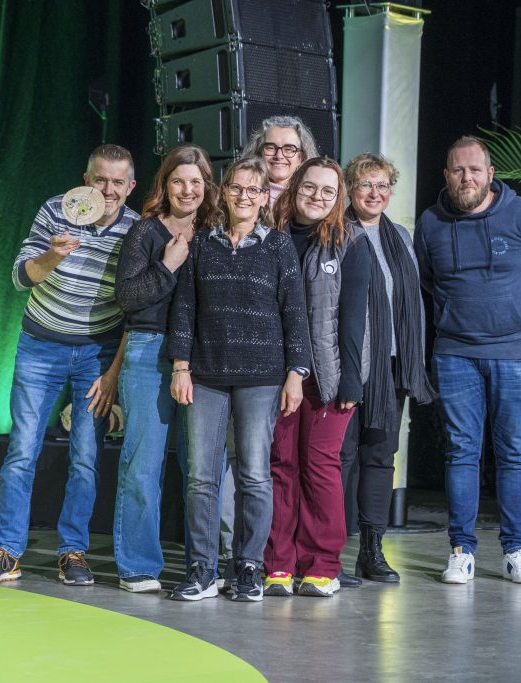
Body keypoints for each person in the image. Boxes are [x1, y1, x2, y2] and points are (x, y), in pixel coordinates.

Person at [0, 144, 138, 585]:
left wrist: (113, 373)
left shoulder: (136, 230)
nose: (108, 190)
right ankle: (7, 550)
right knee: (22, 449)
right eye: (100, 179)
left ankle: (73, 552)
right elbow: (19, 277)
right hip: (40, 346)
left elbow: (136, 310)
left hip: (98, 353)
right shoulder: (55, 211)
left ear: (130, 187)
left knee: (86, 456)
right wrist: (53, 256)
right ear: (86, 180)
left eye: (117, 182)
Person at [414, 136, 521, 586]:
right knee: (461, 450)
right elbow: (427, 278)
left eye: (475, 170)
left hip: (515, 353)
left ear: (490, 174)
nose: (467, 178)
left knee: (513, 451)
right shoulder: (431, 222)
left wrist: (516, 315)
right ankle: (461, 551)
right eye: (458, 170)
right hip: (455, 353)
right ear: (447, 175)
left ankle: (516, 550)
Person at [168, 156, 310, 602]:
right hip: (206, 374)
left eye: (253, 190)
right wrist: (181, 366)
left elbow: (295, 313)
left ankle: (249, 566)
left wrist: (296, 373)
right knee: (201, 477)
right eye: (236, 188)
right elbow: (185, 308)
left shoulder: (279, 246)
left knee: (254, 475)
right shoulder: (202, 243)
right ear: (224, 192)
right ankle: (202, 568)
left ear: (265, 197)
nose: (244, 196)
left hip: (262, 376)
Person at [262, 157, 393, 598]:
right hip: (274, 375)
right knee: (281, 466)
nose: (317, 197)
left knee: (319, 468)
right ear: (295, 186)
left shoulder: (351, 243)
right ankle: (278, 563)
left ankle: (321, 565)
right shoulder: (271, 237)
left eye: (328, 191)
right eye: (309, 187)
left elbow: (355, 320)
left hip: (329, 378)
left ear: (338, 199)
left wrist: (351, 381)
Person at [111, 144, 220, 593]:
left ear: (207, 187)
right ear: (165, 185)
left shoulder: (215, 234)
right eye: (178, 180)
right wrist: (167, 266)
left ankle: (203, 567)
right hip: (149, 353)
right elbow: (127, 298)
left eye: (195, 181)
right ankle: (138, 565)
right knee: (143, 464)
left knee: (202, 470)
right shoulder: (145, 232)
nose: (187, 190)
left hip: (202, 356)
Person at [339, 153, 435, 584]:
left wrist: (412, 361)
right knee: (341, 458)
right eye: (365, 185)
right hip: (349, 366)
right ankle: (326, 553)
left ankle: (372, 550)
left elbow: (413, 304)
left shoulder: (400, 237)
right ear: (350, 190)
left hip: (392, 367)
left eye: (382, 185)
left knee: (380, 457)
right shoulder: (337, 233)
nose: (374, 193)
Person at [242, 115, 320, 204]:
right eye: (270, 147)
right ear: (259, 153)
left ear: (301, 158)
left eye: (289, 149)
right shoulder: (242, 195)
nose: (279, 156)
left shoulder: (312, 199)